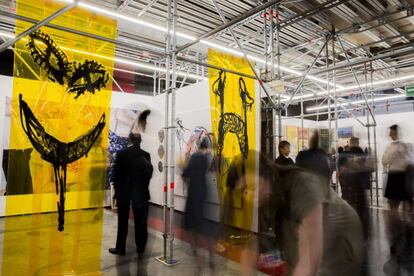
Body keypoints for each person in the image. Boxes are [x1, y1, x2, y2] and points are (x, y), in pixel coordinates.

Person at [224, 151, 364, 276]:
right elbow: (255, 245)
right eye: (243, 191)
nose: (249, 196)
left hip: (338, 234)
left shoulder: (303, 185)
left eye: (252, 187)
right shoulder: (265, 195)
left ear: (267, 175)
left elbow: (309, 261)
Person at [109, 133, 153, 257]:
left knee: (122, 221)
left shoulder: (122, 154)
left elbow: (116, 175)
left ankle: (121, 248)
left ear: (129, 140)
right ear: (141, 140)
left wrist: (117, 192)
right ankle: (140, 248)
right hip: (140, 193)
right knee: (141, 222)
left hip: (124, 193)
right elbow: (148, 175)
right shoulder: (145, 155)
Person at [182, 138, 216, 273]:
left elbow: (185, 173)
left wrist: (186, 156)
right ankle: (211, 257)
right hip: (202, 192)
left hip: (194, 193)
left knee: (191, 225)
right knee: (203, 226)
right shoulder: (206, 159)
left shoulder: (196, 156)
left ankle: (197, 255)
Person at [338, 137, 371, 239]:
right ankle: (362, 229)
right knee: (361, 206)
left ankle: (350, 226)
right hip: (359, 184)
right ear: (357, 142)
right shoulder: (362, 153)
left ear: (351, 143)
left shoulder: (344, 155)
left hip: (349, 184)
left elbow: (341, 170)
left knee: (350, 204)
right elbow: (368, 168)